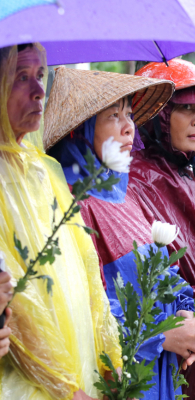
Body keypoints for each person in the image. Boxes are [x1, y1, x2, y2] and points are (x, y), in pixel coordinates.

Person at [44, 67, 195, 400]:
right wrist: (161, 337)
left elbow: (163, 272)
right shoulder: (69, 205)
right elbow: (82, 309)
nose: (128, 128)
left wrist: (188, 318)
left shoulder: (123, 196)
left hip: (158, 377)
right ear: (82, 130)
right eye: (113, 116)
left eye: (129, 114)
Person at [0, 43, 122, 399]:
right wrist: (67, 391)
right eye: (21, 77)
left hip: (83, 377)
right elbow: (19, 306)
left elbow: (88, 275)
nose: (39, 91)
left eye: (40, 75)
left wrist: (111, 362)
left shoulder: (46, 171)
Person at [131, 59, 195, 400]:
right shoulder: (136, 180)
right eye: (186, 109)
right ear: (156, 115)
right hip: (170, 339)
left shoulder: (190, 172)